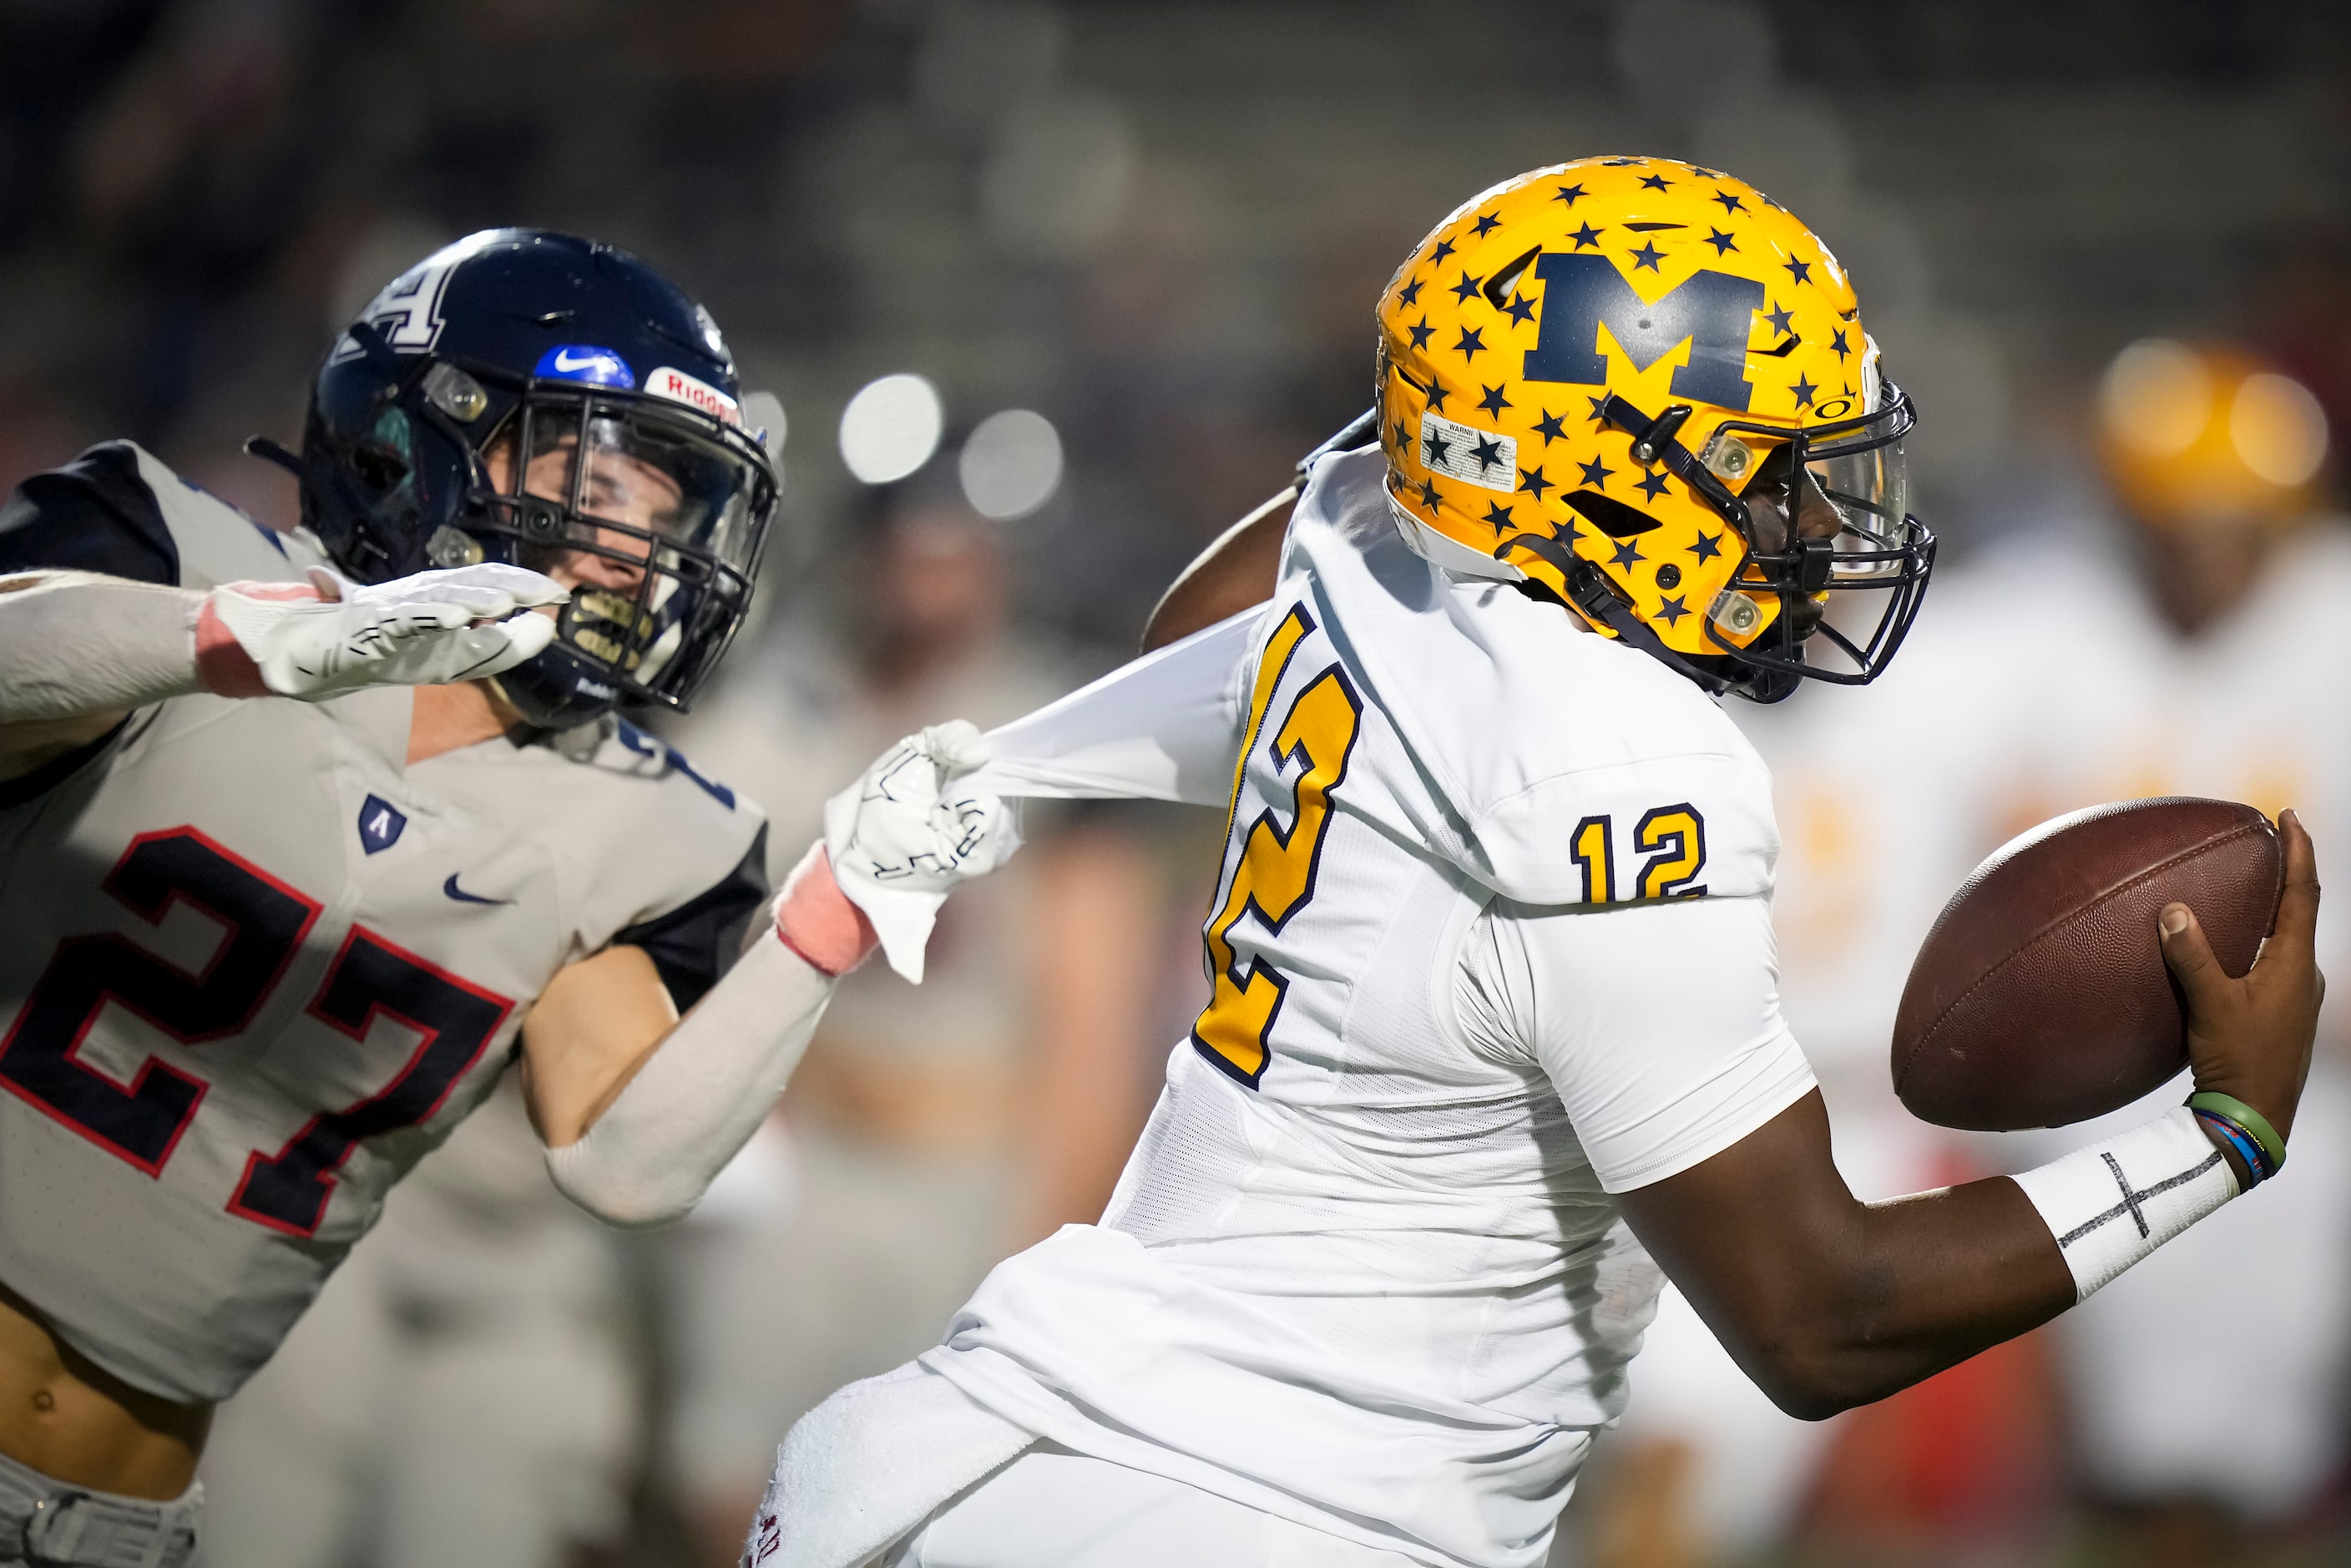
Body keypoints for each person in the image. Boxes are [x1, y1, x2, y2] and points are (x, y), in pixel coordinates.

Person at [751, 159, 2324, 1568]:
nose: (1818, 521)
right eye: (1769, 466)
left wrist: (1452, 399)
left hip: (1046, 1423)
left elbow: (1204, 631)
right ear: (1610, 473)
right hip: (1270, 1506)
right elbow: (1821, 1314)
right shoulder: (1619, 766)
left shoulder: (1372, 550)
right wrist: (2226, 1132)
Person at [0, 229, 1013, 1567]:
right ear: (424, 437)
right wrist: (236, 639)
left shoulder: (655, 823)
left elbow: (626, 1160)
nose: (635, 539)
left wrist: (834, 915)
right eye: (596, 467)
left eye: (670, 497)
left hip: (126, 1519)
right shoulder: (171, 553)